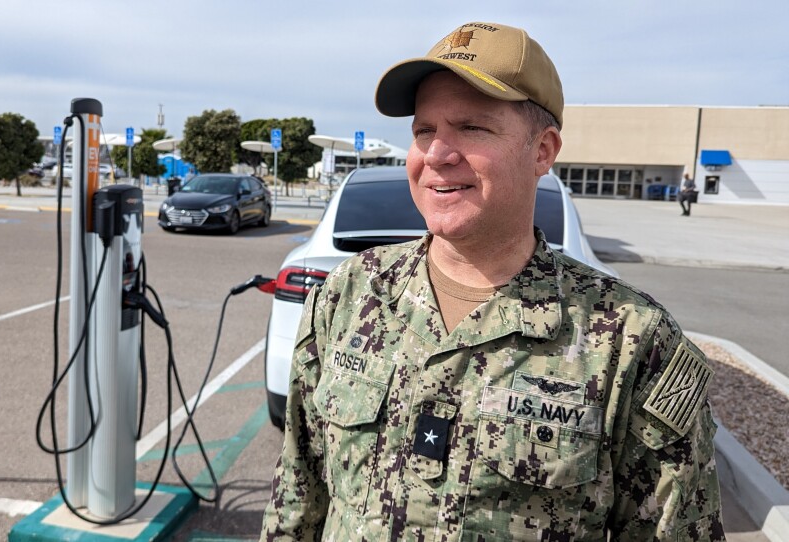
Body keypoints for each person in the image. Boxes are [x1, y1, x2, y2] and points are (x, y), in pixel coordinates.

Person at [261, 21, 724, 541]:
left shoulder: (631, 339)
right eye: (423, 131)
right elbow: (297, 499)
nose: (436, 153)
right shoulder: (350, 294)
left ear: (542, 151)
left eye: (472, 128)